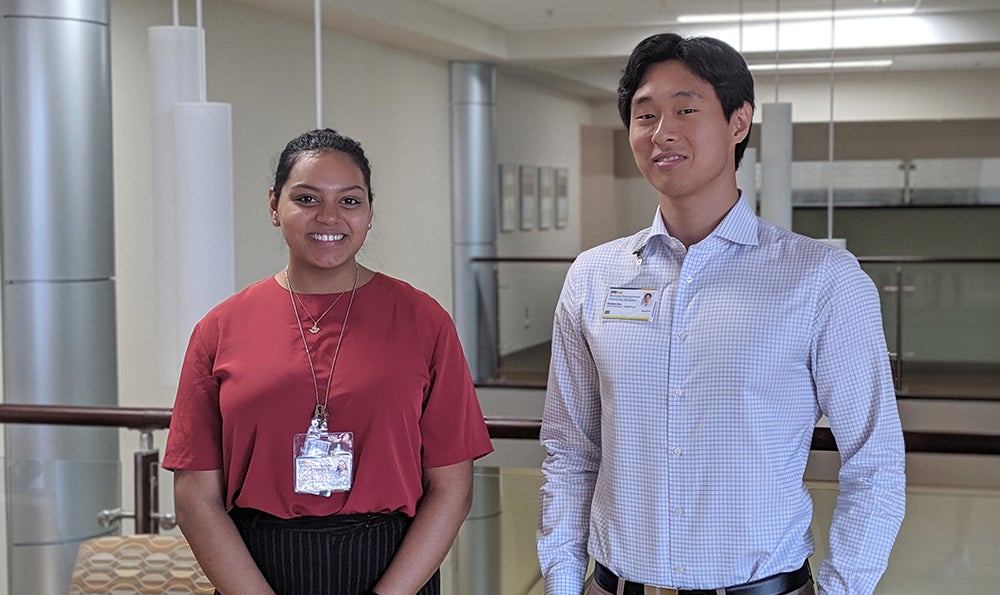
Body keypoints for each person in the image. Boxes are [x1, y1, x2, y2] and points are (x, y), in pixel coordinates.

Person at [537, 33, 905, 595]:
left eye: (686, 109)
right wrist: (563, 584)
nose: (663, 132)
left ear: (738, 123)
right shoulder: (593, 276)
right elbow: (570, 450)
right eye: (645, 114)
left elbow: (874, 463)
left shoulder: (822, 280)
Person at [163, 128, 493, 595]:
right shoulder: (220, 328)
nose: (329, 217)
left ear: (370, 212)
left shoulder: (423, 320)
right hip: (254, 573)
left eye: (350, 201)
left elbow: (452, 490)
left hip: (394, 570)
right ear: (274, 206)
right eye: (307, 198)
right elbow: (196, 498)